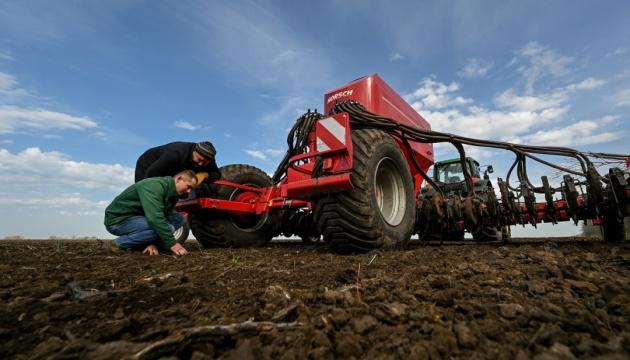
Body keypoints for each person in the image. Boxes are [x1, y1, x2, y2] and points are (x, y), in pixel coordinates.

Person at [104, 170, 198, 256]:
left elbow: (165, 216)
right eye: (188, 186)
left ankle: (153, 246)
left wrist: (152, 243)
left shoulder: (173, 194)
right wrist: (173, 244)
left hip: (139, 217)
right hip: (119, 220)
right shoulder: (154, 186)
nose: (189, 191)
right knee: (168, 228)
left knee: (179, 218)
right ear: (179, 179)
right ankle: (117, 244)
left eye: (192, 189)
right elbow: (155, 218)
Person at [135, 141, 221, 183]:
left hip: (174, 170)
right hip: (148, 164)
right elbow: (151, 175)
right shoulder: (175, 154)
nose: (201, 164)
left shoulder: (208, 157)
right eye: (199, 160)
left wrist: (204, 175)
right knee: (144, 190)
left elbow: (217, 174)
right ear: (194, 151)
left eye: (205, 162)